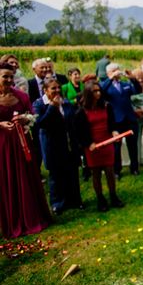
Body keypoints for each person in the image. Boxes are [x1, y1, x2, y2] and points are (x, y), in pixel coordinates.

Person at [0, 62, 51, 238]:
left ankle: (32, 216)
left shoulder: (21, 96)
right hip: (3, 146)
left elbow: (33, 116)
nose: (8, 79)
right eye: (4, 76)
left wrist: (24, 119)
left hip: (22, 144)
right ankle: (12, 220)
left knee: (25, 178)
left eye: (10, 76)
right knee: (7, 179)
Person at [34, 77, 84, 214]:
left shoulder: (66, 102)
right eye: (53, 88)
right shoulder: (39, 104)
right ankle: (57, 203)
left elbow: (72, 123)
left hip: (68, 143)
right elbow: (40, 124)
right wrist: (51, 107)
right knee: (56, 176)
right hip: (52, 145)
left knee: (72, 173)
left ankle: (75, 200)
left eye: (58, 88)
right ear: (45, 90)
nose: (57, 91)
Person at [74, 81, 123, 212]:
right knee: (95, 173)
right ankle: (100, 199)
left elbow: (112, 124)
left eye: (99, 91)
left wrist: (114, 132)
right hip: (92, 145)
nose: (98, 93)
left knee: (110, 171)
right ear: (88, 93)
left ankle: (113, 196)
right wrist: (88, 143)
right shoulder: (81, 111)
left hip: (106, 142)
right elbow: (79, 132)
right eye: (95, 91)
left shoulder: (107, 106)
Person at [100, 63, 142, 178]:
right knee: (116, 147)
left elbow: (138, 90)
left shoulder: (125, 85)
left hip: (130, 119)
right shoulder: (106, 85)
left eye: (117, 70)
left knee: (132, 145)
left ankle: (134, 168)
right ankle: (116, 170)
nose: (117, 72)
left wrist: (133, 78)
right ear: (108, 73)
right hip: (116, 121)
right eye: (114, 70)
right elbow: (101, 92)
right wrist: (110, 78)